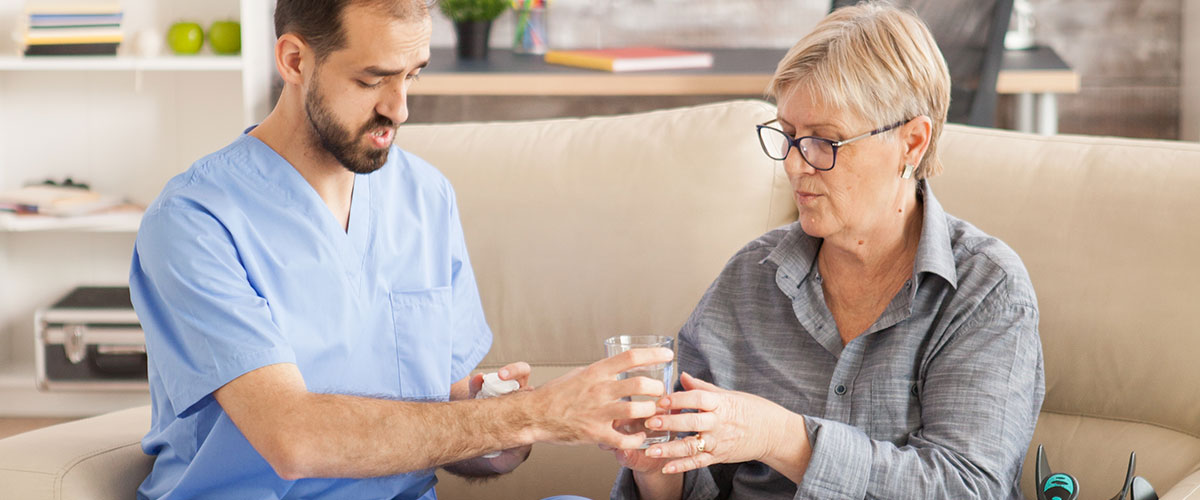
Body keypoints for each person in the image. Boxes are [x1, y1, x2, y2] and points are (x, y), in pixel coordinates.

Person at [128, 1, 670, 498]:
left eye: (412, 75)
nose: (400, 108)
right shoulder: (196, 221)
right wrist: (536, 413)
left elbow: (449, 420)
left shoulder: (424, 196)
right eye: (373, 79)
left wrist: (496, 434)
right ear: (294, 61)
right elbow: (294, 439)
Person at [610, 3, 1044, 499]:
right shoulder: (751, 278)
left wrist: (780, 437)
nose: (794, 165)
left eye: (825, 141)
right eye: (789, 136)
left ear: (912, 143)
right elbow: (695, 483)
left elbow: (967, 488)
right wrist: (654, 463)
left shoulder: (984, 290)